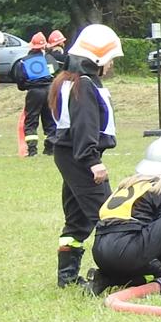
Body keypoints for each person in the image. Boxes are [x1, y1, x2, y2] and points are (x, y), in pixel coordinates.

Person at [47, 24, 122, 287]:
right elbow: (85, 126)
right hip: (80, 157)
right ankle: (118, 271)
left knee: (77, 221)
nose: (111, 64)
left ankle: (67, 279)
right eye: (110, 58)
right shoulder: (85, 85)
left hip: (70, 155)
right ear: (98, 59)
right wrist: (93, 162)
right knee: (109, 216)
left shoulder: (69, 81)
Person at [86, 135, 161, 297]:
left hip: (101, 254)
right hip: (128, 250)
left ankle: (106, 278)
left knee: (150, 272)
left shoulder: (130, 183)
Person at [13, 32, 57, 157]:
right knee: (49, 119)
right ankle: (50, 148)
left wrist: (27, 86)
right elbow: (56, 74)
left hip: (34, 93)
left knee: (31, 120)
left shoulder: (24, 61)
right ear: (44, 46)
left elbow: (20, 81)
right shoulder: (49, 59)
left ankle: (32, 150)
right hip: (49, 90)